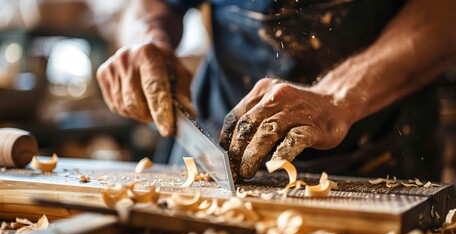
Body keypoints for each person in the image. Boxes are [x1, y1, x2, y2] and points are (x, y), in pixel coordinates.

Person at [97, 0, 456, 182]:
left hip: (378, 142)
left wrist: (339, 96)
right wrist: (145, 39)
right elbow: (151, 6)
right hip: (214, 147)